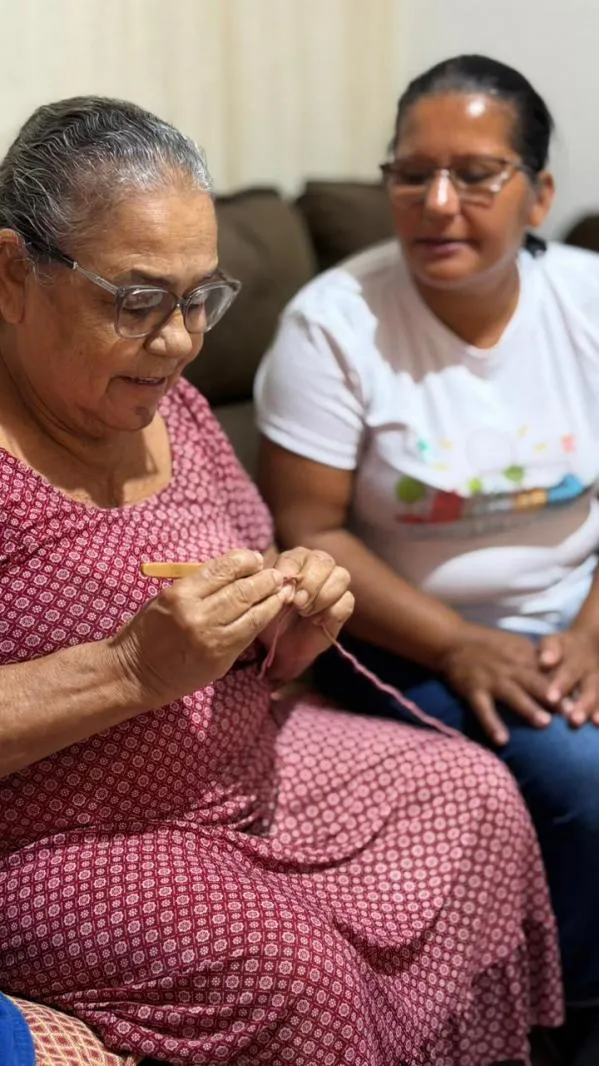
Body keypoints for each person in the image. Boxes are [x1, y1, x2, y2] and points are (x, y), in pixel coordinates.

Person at [0, 95, 561, 1066]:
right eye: (137, 301)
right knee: (288, 972)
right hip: (59, 841)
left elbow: (253, 590)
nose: (179, 343)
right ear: (10, 273)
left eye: (200, 298)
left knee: (474, 796)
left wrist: (287, 620)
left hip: (249, 759)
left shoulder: (170, 406)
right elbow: (146, 661)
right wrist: (131, 669)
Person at [255, 54, 599, 1063]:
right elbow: (308, 532)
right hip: (402, 640)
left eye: (475, 174)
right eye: (409, 175)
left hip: (570, 619)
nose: (435, 204)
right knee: (581, 780)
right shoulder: (332, 324)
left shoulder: (586, 301)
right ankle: (571, 1020)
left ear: (537, 193)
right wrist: (457, 644)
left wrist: (588, 628)